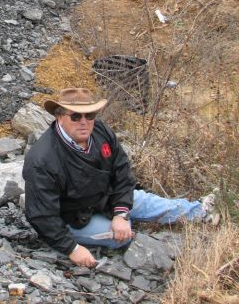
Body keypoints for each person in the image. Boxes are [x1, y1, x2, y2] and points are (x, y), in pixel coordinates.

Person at [22, 87, 219, 268]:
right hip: (71, 218)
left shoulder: (101, 131)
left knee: (143, 200)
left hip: (104, 199)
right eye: (75, 116)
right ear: (59, 117)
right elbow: (41, 215)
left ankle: (201, 211)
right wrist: (72, 249)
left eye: (89, 114)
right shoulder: (42, 159)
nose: (84, 121)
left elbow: (122, 173)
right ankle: (119, 229)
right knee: (122, 237)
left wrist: (121, 212)